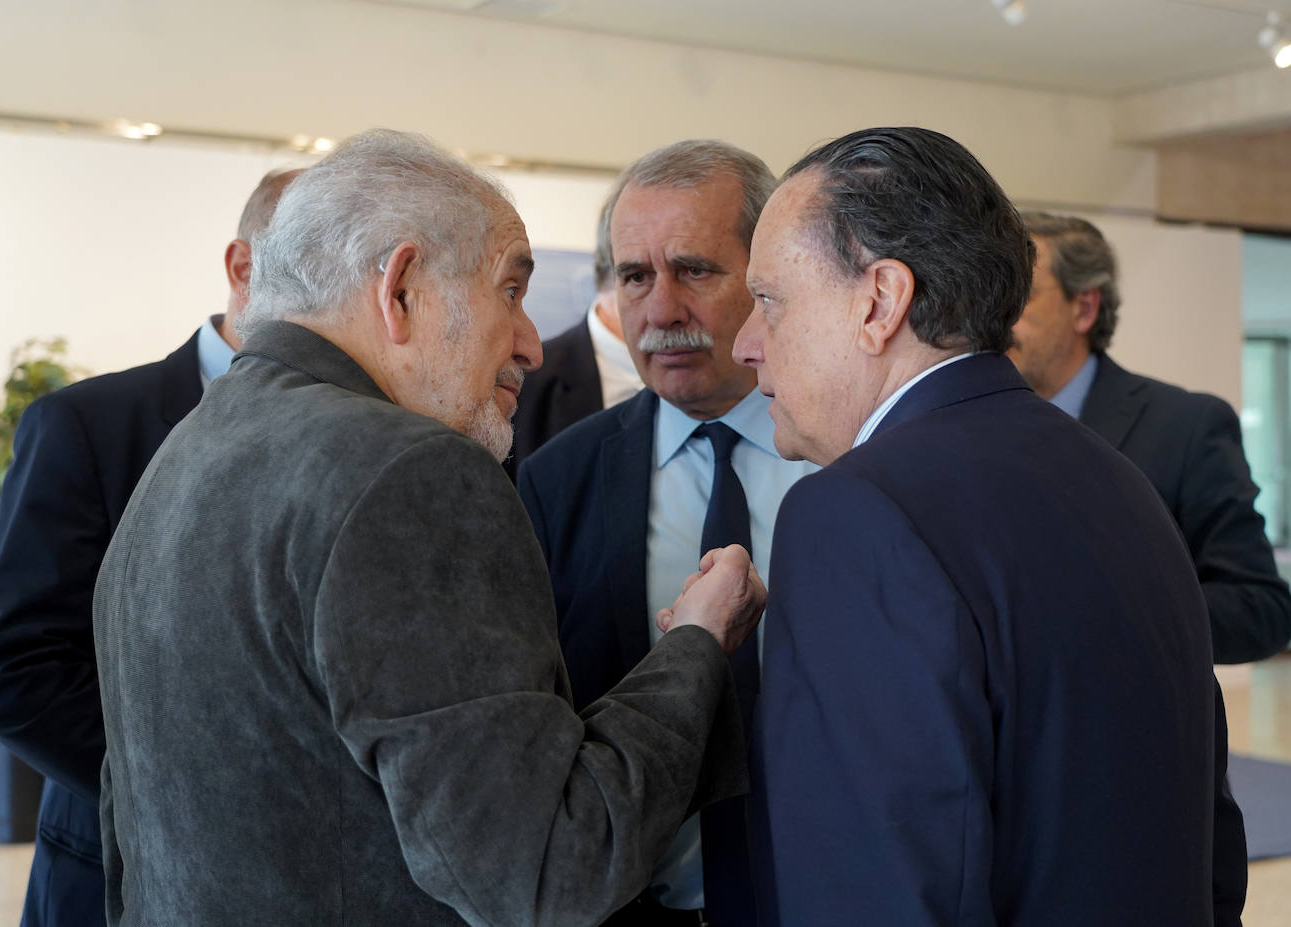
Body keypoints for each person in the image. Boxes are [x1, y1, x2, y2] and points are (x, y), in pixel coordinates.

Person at [92, 128, 765, 927]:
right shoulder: (412, 473)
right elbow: (550, 868)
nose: (529, 343)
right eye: (510, 291)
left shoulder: (187, 448)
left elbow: (129, 841)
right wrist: (694, 644)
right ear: (401, 289)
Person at [729, 126, 1241, 925]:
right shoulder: (1120, 480)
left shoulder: (856, 514)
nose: (745, 343)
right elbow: (1208, 831)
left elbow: (873, 886)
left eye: (769, 301)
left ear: (879, 301)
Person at [0, 166, 300, 927]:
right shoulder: (87, 425)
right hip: (112, 873)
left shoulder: (371, 438)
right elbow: (16, 672)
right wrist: (200, 792)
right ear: (243, 269)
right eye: (312, 268)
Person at [518, 140, 818, 926]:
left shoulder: (850, 461)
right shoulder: (556, 480)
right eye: (636, 276)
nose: (660, 310)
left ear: (767, 278)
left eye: (694, 269)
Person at [1010, 211, 1291, 665]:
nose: (997, 314)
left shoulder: (1185, 426)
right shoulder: (957, 427)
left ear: (1084, 308)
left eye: (1020, 296)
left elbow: (1260, 612)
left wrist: (1107, 617)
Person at [506, 201, 642, 481]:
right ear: (612, 273)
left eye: (694, 272)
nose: (670, 305)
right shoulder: (520, 386)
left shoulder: (736, 383)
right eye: (642, 277)